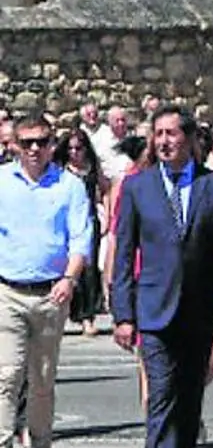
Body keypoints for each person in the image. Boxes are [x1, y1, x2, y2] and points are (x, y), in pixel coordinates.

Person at [111, 106, 213, 448]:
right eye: (158, 135)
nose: (164, 142)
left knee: (189, 400)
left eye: (171, 134)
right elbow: (124, 254)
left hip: (200, 311)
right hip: (155, 311)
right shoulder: (138, 187)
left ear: (188, 138)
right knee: (161, 397)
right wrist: (123, 314)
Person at [0, 113, 92, 448]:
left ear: (53, 145)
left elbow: (81, 239)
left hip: (52, 293)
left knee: (41, 382)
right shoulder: (1, 182)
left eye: (41, 141)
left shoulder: (70, 186)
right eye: (27, 143)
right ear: (15, 147)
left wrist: (70, 278)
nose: (35, 149)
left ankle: (40, 441)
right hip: (7, 292)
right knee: (5, 376)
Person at [53, 129, 106, 337]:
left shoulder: (92, 169)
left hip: (89, 222)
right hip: (65, 225)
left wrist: (108, 214)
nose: (75, 152)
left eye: (79, 148)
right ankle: (68, 312)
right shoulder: (59, 171)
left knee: (89, 271)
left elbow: (105, 189)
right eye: (71, 148)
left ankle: (87, 316)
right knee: (66, 270)